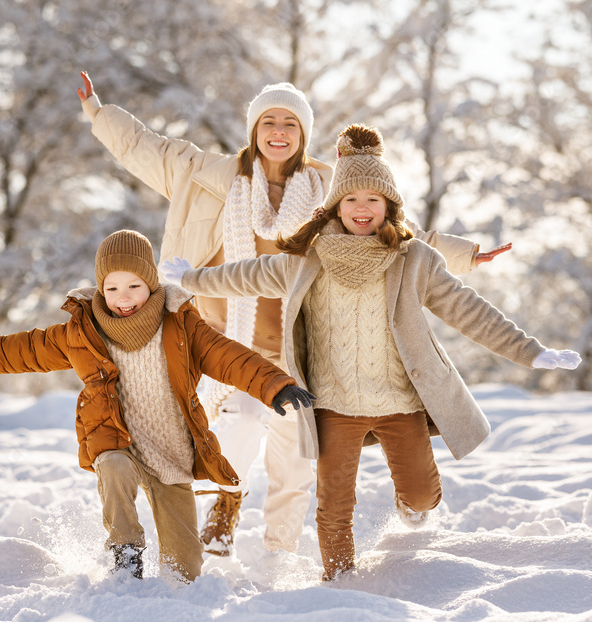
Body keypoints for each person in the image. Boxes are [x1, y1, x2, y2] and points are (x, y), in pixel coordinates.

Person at [77, 72, 510, 556]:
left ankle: (278, 555)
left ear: (303, 133)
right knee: (238, 425)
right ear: (254, 130)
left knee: (295, 460)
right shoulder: (205, 176)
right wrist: (98, 110)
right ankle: (227, 504)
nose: (278, 131)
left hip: (300, 349)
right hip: (229, 343)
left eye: (290, 123)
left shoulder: (329, 188)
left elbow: (395, 229)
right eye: (269, 122)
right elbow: (145, 147)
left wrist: (465, 253)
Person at [160, 124, 581, 580]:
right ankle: (338, 584)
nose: (362, 209)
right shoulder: (309, 258)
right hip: (335, 405)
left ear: (389, 206)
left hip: (398, 402)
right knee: (333, 506)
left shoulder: (414, 259)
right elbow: (248, 275)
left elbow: (470, 311)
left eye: (373, 200)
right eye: (352, 199)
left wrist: (531, 352)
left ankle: (411, 505)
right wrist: (192, 279)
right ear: (336, 205)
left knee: (421, 496)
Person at [0, 230, 313, 582]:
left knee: (184, 573)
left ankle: (179, 576)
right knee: (114, 465)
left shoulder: (181, 324)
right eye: (112, 288)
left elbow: (228, 357)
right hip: (116, 441)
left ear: (151, 284)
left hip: (172, 453)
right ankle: (126, 551)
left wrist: (275, 385)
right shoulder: (84, 329)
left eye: (134, 286)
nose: (123, 297)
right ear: (101, 289)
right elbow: (33, 347)